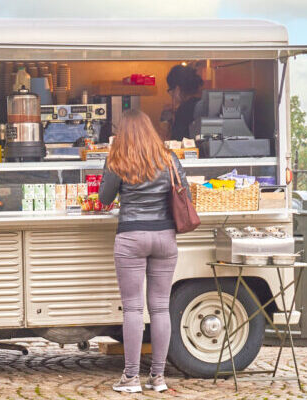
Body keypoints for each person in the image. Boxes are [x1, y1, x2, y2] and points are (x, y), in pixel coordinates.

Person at [100, 109, 190, 393]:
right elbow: (184, 193)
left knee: (134, 308)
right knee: (161, 307)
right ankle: (159, 378)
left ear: (123, 133)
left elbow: (104, 198)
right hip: (165, 237)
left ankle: (130, 378)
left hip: (131, 237)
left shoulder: (118, 160)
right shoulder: (169, 158)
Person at [166, 64, 204, 141]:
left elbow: (177, 143)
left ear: (177, 89)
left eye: (170, 91)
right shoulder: (203, 104)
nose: (171, 95)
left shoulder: (183, 110)